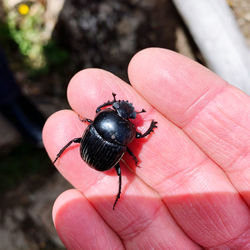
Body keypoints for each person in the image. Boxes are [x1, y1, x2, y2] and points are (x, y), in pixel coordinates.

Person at [43, 48, 250, 249]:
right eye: (117, 106)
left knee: (77, 143)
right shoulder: (121, 130)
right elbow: (138, 134)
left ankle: (111, 191)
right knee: (119, 167)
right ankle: (115, 193)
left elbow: (102, 113)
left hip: (94, 148)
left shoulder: (103, 117)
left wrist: (114, 104)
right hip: (103, 153)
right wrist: (147, 127)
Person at [0, 46, 45, 146]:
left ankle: (41, 133)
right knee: (16, 111)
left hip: (9, 88)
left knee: (21, 107)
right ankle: (38, 137)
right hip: (6, 94)